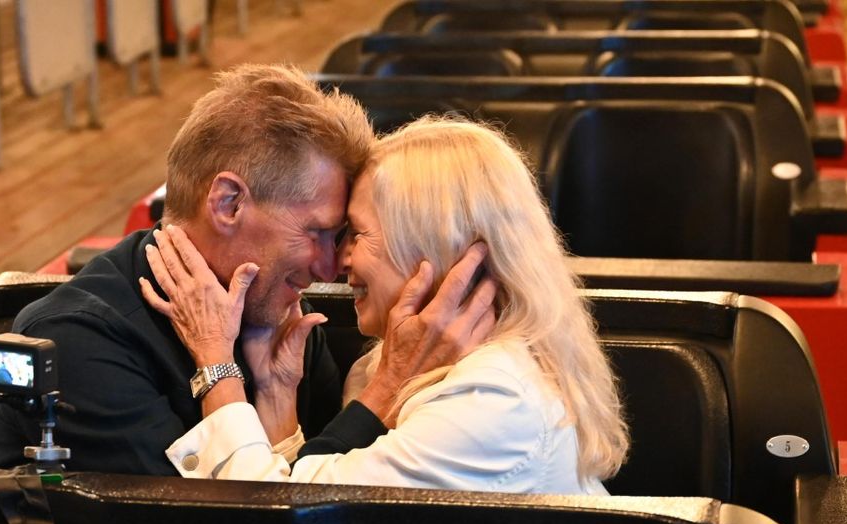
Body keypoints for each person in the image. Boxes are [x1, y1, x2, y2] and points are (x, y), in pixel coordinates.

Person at [0, 65, 494, 474]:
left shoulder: (279, 313)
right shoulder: (78, 344)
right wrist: (387, 388)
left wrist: (276, 395)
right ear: (228, 204)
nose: (328, 264)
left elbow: (301, 478)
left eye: (339, 237)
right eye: (316, 232)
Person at [145, 116, 629, 494]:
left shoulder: (492, 401)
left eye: (355, 234)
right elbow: (316, 493)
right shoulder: (428, 367)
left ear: (430, 246)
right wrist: (275, 391)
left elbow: (275, 519)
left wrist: (214, 360)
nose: (337, 263)